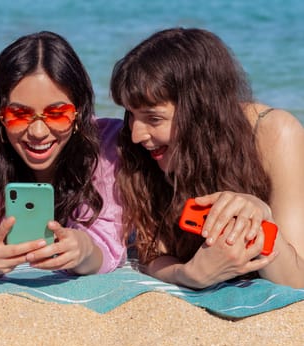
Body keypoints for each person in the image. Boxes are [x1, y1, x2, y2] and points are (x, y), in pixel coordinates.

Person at [110, 27, 304, 289]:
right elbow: (152, 255)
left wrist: (259, 215)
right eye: (131, 115)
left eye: (154, 118)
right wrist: (187, 274)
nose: (135, 135)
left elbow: (296, 280)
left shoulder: (273, 133)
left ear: (199, 112)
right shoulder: (142, 155)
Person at [0, 31, 126, 276]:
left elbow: (109, 241)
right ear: (0, 114)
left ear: (79, 112)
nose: (38, 132)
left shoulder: (106, 143)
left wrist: (85, 251)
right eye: (19, 115)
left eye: (56, 114)